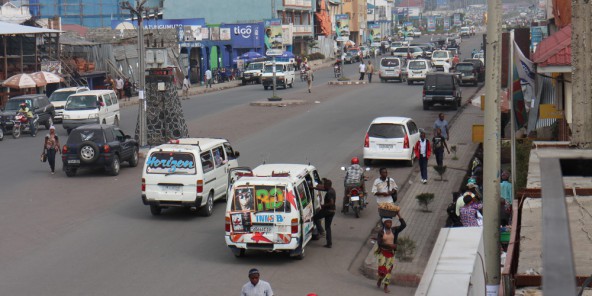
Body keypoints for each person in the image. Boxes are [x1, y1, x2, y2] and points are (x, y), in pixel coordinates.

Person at [376, 213, 407, 294]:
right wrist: (390, 245)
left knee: (388, 270)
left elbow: (404, 225)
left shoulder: (394, 230)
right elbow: (379, 243)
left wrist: (398, 214)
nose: (389, 224)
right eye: (387, 222)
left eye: (390, 222)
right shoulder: (381, 232)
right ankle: (380, 279)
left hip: (391, 254)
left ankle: (386, 286)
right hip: (382, 253)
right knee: (382, 270)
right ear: (384, 223)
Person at [313, 178, 336, 248]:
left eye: (325, 185)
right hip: (332, 211)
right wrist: (313, 188)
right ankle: (329, 243)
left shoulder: (329, 193)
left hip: (327, 211)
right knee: (328, 227)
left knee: (315, 218)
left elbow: (331, 202)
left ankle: (321, 231)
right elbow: (323, 189)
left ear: (327, 185)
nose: (323, 186)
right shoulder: (331, 189)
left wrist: (323, 205)